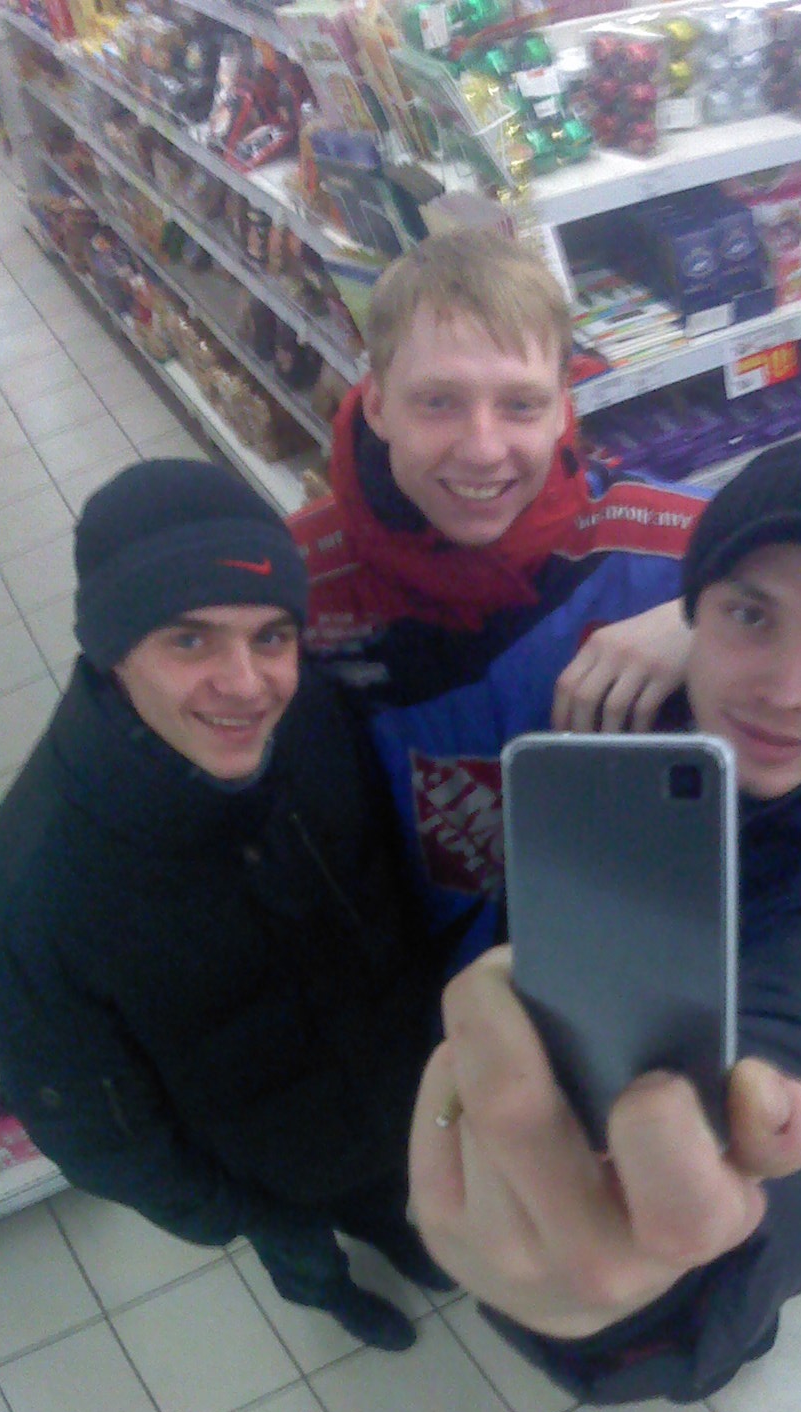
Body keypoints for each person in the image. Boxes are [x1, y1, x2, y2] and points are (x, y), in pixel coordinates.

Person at [409, 435, 801, 1403]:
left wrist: (678, 1281)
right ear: (695, 610)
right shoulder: (639, 705)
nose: (785, 689)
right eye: (751, 615)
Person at [0, 462, 449, 1354]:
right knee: (304, 1255)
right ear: (114, 652)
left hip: (391, 1096)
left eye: (271, 636)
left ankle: (396, 1232)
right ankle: (334, 1296)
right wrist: (232, 1210)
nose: (247, 684)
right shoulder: (28, 900)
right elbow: (93, 1131)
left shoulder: (314, 717)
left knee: (390, 1194)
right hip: (265, 1177)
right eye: (190, 641)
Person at [291, 228, 704, 960]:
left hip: (616, 970)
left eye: (520, 405)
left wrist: (715, 616)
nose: (483, 449)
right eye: (438, 402)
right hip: (396, 987)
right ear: (377, 404)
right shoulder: (296, 586)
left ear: (563, 409)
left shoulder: (672, 552)